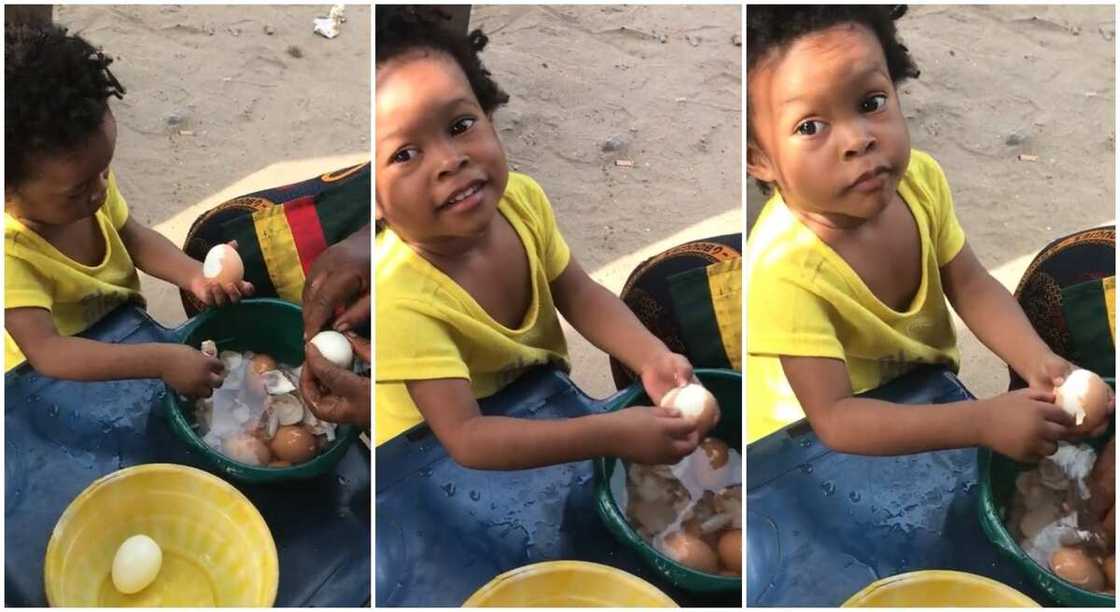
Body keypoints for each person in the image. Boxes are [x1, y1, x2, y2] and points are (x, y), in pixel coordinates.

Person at [744, 6, 1111, 459]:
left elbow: (971, 285)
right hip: (808, 454)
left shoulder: (920, 182)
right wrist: (981, 421)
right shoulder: (782, 268)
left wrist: (1039, 361)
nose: (858, 139)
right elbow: (836, 419)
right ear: (759, 158)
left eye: (871, 102)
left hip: (924, 405)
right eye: (810, 127)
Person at [375, 7, 702, 468]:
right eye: (405, 153)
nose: (450, 160)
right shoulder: (400, 297)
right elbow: (467, 438)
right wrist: (608, 431)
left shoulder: (521, 201)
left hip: (538, 409)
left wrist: (651, 356)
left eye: (461, 125)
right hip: (429, 463)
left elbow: (579, 292)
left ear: (490, 115)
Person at [4, 24, 251, 396]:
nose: (101, 190)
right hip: (48, 382)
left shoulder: (87, 183)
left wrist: (195, 276)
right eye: (79, 190)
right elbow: (48, 352)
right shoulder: (11, 255)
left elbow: (133, 237)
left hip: (124, 333)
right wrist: (161, 360)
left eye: (104, 170)